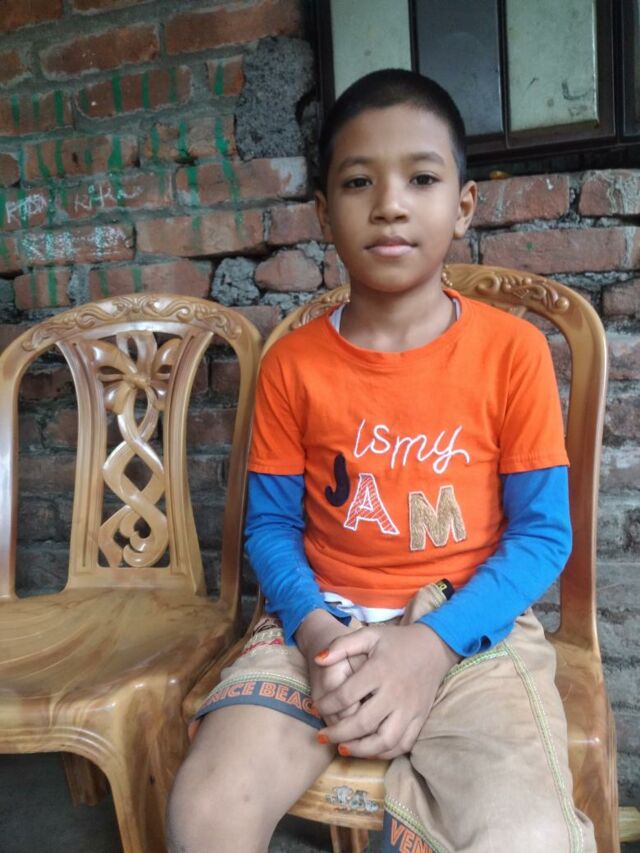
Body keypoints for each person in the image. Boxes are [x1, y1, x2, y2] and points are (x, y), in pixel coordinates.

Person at [167, 69, 596, 853]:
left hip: (473, 628)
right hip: (319, 621)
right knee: (206, 808)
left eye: (422, 178)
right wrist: (315, 633)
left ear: (463, 205)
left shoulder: (513, 352)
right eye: (359, 181)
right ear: (323, 212)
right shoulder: (294, 364)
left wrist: (431, 644)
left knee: (528, 836)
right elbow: (270, 526)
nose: (390, 203)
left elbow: (542, 535)